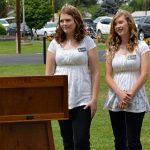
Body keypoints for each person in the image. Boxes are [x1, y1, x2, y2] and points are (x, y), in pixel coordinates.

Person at [45, 4, 99, 150]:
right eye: (61, 21)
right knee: (67, 142)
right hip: (61, 99)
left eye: (68, 20)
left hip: (83, 99)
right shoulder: (54, 44)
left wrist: (94, 99)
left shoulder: (88, 42)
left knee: (81, 141)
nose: (64, 24)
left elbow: (95, 72)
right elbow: (48, 75)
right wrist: (50, 100)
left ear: (76, 20)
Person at [104, 10, 150, 150]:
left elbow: (144, 74)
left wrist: (129, 95)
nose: (118, 26)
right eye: (115, 24)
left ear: (129, 23)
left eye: (121, 22)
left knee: (133, 142)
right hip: (116, 97)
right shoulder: (112, 48)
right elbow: (107, 75)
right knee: (119, 141)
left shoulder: (142, 46)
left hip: (135, 97)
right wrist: (120, 94)